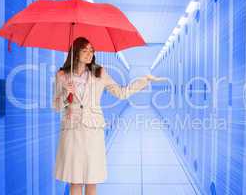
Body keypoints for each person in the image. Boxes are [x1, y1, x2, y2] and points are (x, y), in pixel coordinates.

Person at [52, 37, 166, 195]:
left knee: (92, 180)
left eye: (91, 51)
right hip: (72, 131)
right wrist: (66, 94)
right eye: (85, 50)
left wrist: (144, 81)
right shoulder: (62, 75)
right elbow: (56, 106)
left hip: (93, 130)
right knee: (75, 180)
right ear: (75, 53)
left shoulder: (99, 72)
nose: (89, 54)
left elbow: (121, 93)